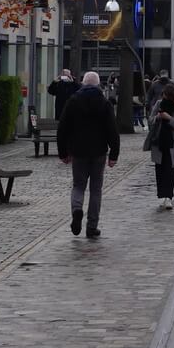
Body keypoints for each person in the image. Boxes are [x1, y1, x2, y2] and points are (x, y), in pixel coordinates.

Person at [57, 71, 120, 239]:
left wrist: (63, 152)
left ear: (83, 84)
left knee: (78, 186)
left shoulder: (73, 101)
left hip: (78, 150)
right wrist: (114, 154)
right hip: (99, 151)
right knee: (96, 189)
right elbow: (112, 130)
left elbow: (62, 128)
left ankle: (77, 209)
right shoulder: (104, 103)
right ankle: (92, 226)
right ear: (98, 84)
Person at [148, 83, 174, 209]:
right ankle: (162, 195)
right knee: (160, 171)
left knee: (170, 172)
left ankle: (169, 197)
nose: (164, 98)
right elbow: (150, 119)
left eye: (166, 95)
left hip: (173, 144)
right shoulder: (159, 104)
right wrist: (158, 117)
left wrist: (169, 118)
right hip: (159, 142)